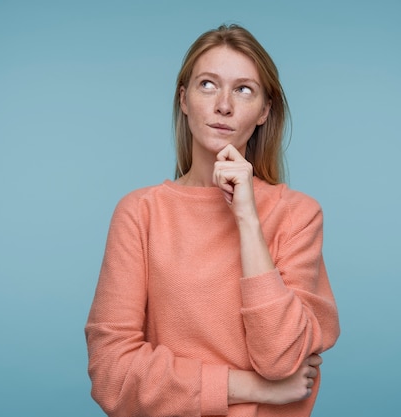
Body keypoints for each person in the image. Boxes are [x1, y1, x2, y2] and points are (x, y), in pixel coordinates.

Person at [85, 24, 340, 417]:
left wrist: (247, 219)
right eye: (208, 84)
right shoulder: (141, 213)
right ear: (183, 99)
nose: (224, 105)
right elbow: (111, 373)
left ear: (264, 111)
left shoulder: (298, 215)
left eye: (243, 89)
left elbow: (281, 359)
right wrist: (250, 387)